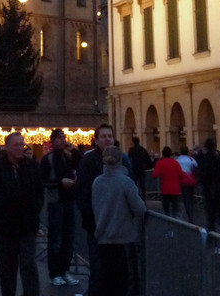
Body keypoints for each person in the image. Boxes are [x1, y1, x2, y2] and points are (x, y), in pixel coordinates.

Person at [0, 131, 43, 296]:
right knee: (7, 268)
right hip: (4, 228)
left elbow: (39, 191)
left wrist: (35, 210)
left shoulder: (31, 166)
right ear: (7, 147)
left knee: (28, 265)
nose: (20, 148)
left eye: (22, 144)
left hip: (27, 225)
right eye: (16, 145)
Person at [92, 146, 146, 296]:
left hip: (103, 238)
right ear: (121, 161)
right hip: (123, 239)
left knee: (108, 281)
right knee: (124, 282)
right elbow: (140, 208)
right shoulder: (125, 182)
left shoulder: (97, 182)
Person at [75, 122, 118, 296]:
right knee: (98, 266)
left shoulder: (118, 158)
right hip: (97, 223)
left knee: (113, 267)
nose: (107, 139)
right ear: (96, 140)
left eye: (110, 136)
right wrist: (91, 216)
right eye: (104, 136)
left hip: (116, 223)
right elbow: (83, 191)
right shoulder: (89, 160)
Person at [39, 129, 80, 287]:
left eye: (64, 137)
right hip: (55, 201)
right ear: (52, 141)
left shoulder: (68, 156)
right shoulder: (47, 159)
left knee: (68, 239)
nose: (62, 140)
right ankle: (54, 273)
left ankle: (64, 270)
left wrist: (74, 149)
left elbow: (79, 163)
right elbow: (42, 181)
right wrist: (59, 183)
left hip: (69, 200)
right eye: (59, 138)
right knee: (55, 239)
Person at [152, 146, 185, 218]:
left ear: (163, 154)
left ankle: (168, 225)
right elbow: (181, 175)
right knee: (175, 209)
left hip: (165, 189)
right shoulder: (175, 163)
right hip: (175, 189)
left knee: (166, 211)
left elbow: (154, 175)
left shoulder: (160, 163)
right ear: (170, 154)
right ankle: (176, 222)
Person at [175, 145, 198, 223]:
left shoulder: (178, 160)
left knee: (186, 199)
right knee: (191, 198)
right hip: (191, 181)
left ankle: (189, 215)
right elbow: (196, 169)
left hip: (183, 181)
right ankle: (191, 212)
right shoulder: (191, 159)